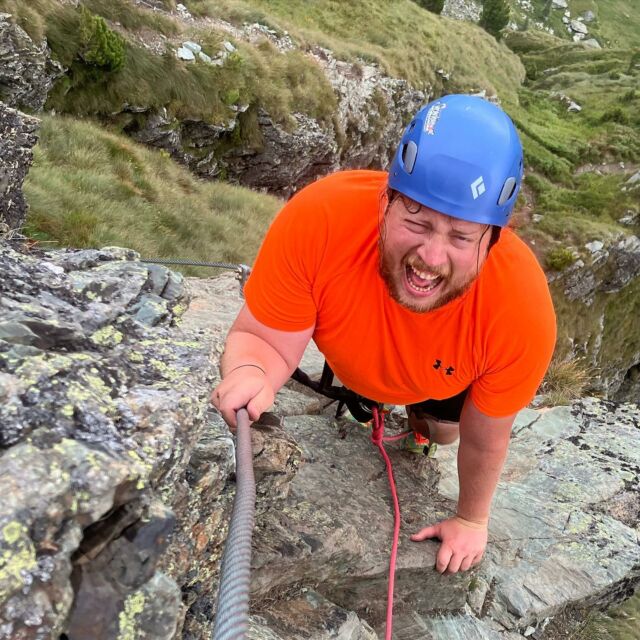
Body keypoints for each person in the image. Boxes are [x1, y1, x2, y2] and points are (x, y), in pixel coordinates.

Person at [211, 94, 556, 575]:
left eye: (460, 237)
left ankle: (417, 426)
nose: (430, 258)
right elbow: (266, 340)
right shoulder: (322, 219)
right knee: (379, 390)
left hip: (439, 380)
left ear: (493, 239)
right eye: (416, 221)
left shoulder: (520, 310)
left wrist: (472, 519)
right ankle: (371, 402)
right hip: (355, 354)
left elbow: (486, 437)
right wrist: (252, 371)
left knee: (446, 432)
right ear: (386, 201)